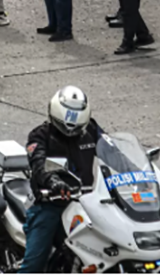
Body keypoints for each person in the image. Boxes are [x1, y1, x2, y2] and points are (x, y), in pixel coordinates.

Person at [19, 86, 102, 273]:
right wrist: (53, 182)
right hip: (50, 204)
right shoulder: (40, 136)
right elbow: (39, 164)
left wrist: (135, 169)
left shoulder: (91, 130)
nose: (71, 132)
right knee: (34, 265)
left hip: (86, 203)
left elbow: (111, 150)